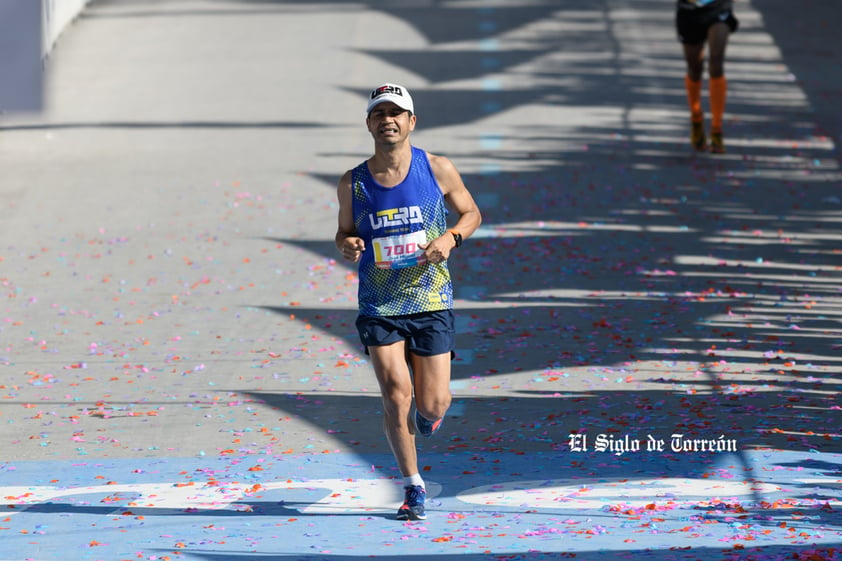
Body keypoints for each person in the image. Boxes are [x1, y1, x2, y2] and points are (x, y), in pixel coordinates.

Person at [335, 83, 482, 521]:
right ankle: (412, 486)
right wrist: (348, 244)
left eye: (396, 113)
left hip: (431, 298)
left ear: (411, 121)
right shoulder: (353, 182)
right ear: (369, 124)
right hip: (380, 304)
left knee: (432, 404)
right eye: (380, 114)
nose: (388, 120)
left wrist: (450, 239)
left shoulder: (436, 168)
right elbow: (343, 232)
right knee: (396, 394)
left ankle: (427, 418)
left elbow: (471, 213)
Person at [676, 0, 739, 153]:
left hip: (718, 8)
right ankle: (696, 118)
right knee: (695, 68)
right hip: (689, 11)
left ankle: (717, 129)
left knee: (716, 61)